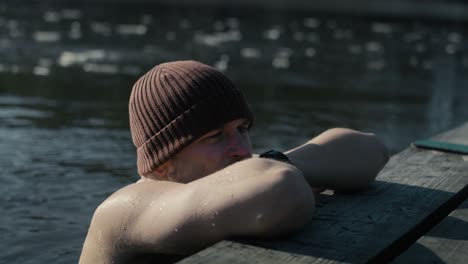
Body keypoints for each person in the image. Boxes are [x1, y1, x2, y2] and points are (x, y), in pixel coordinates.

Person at [79, 60, 389, 264]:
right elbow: (284, 192)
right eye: (215, 136)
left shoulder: (239, 178)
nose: (241, 149)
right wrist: (272, 170)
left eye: (242, 129)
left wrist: (275, 160)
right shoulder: (124, 210)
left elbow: (371, 150)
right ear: (162, 165)